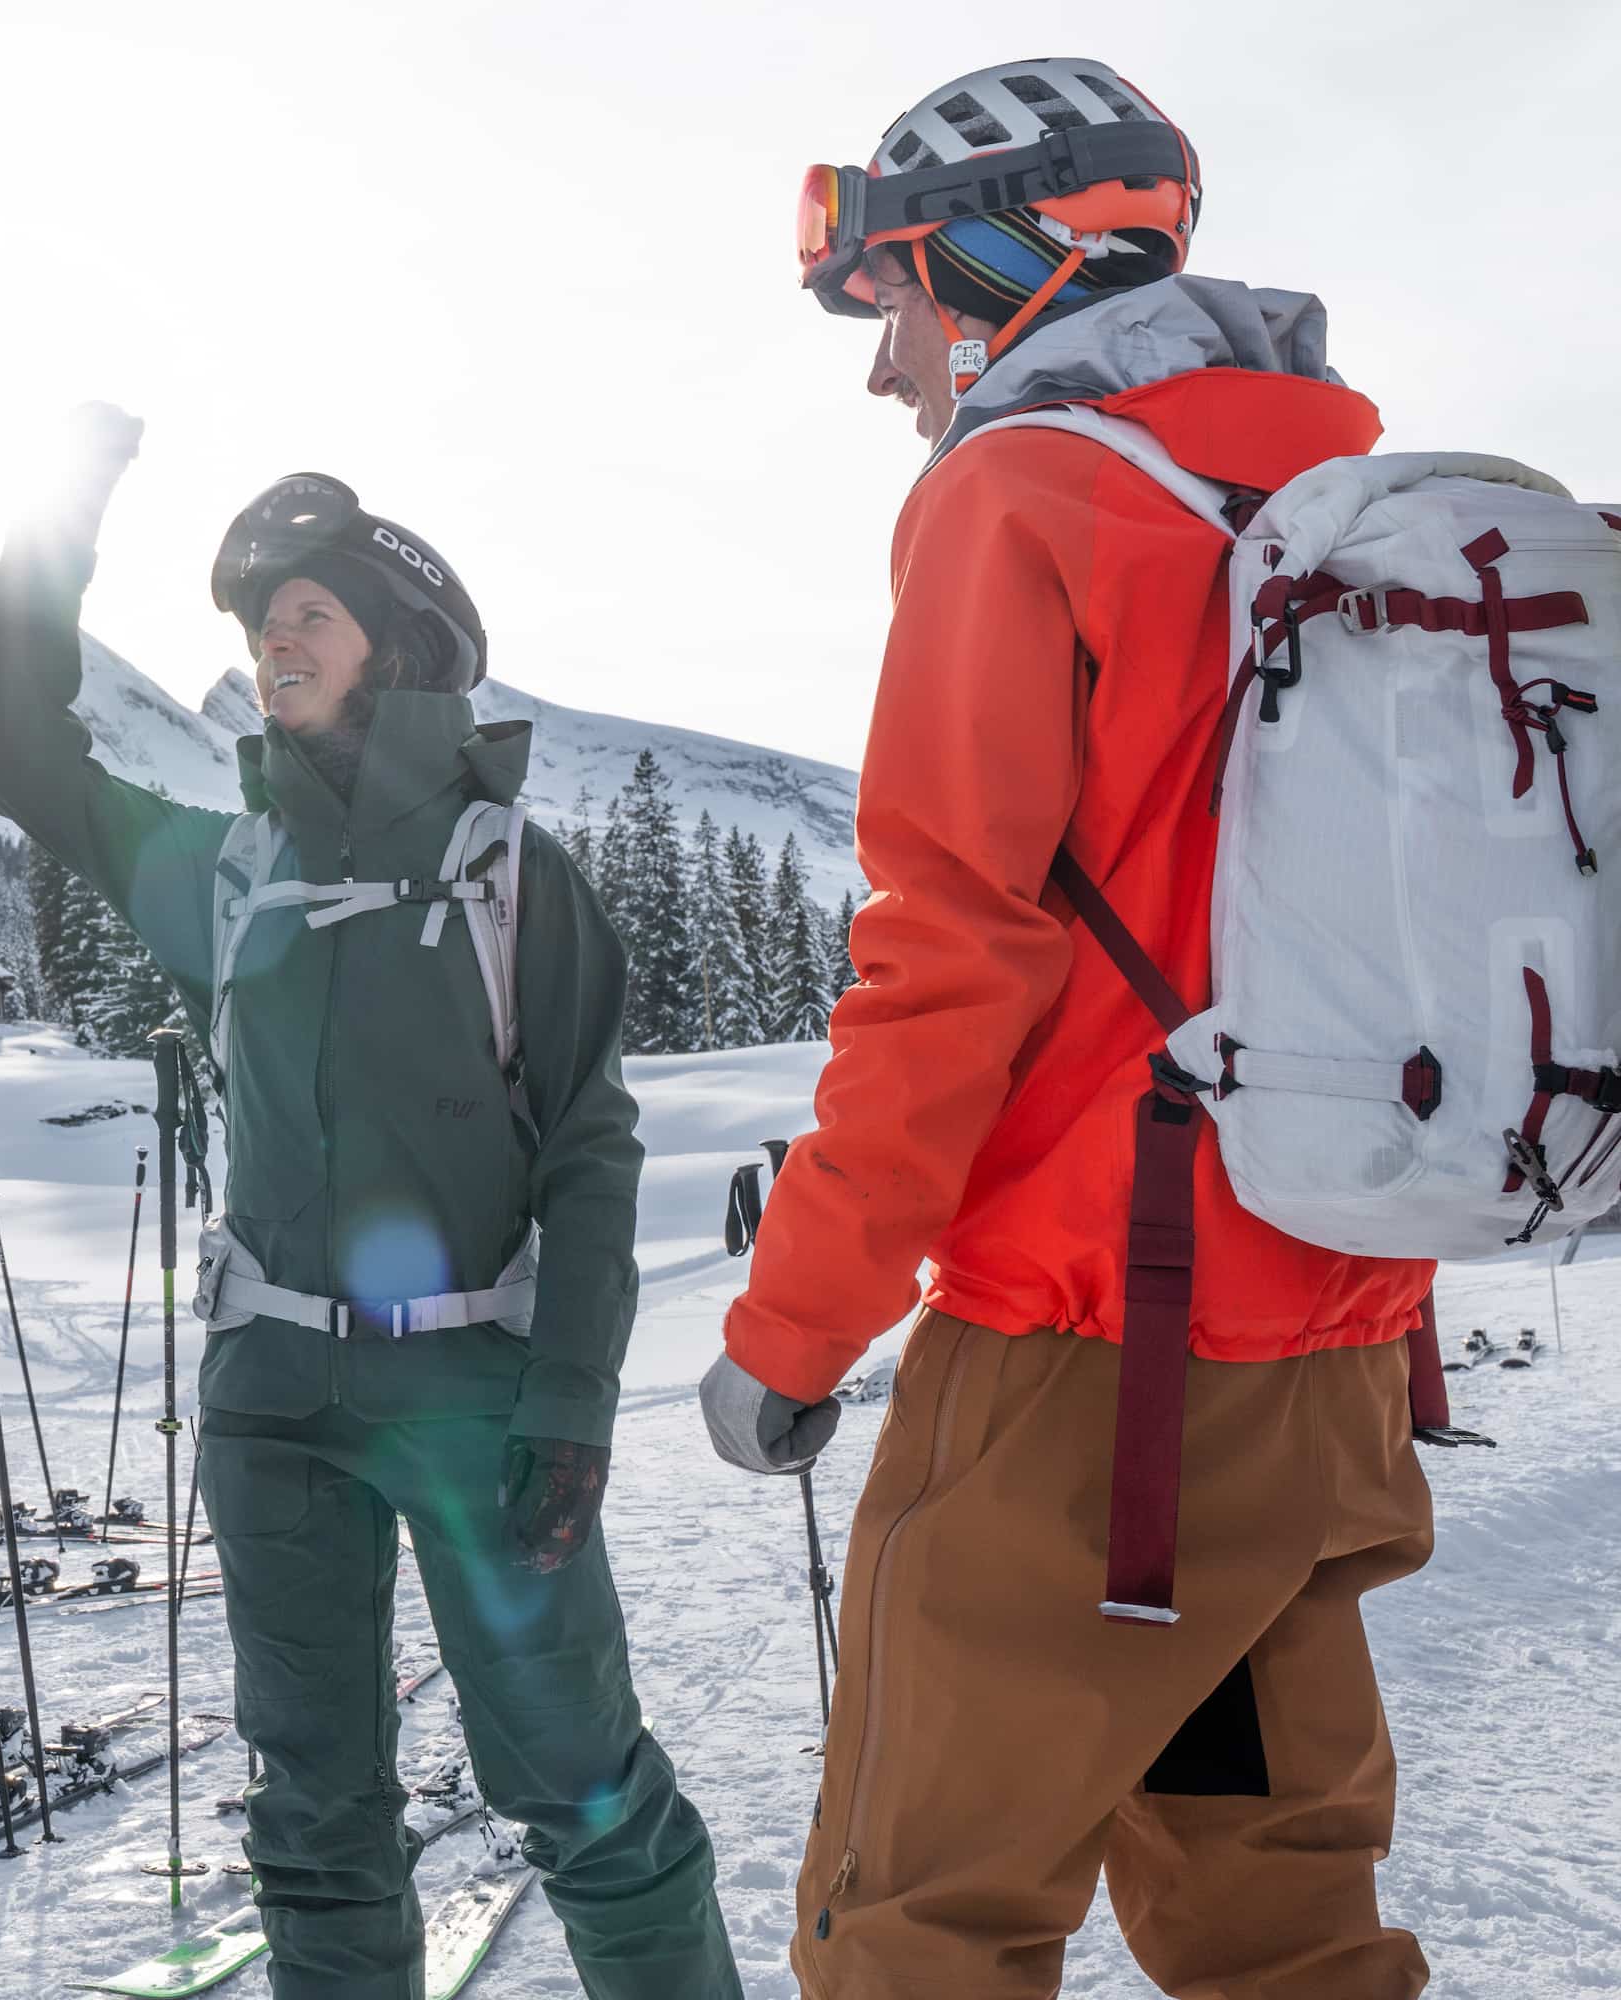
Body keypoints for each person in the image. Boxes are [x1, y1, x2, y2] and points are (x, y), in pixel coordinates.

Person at [708, 59, 1436, 1996]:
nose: (890, 371)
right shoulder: (1346, 503)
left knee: (915, 1921)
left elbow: (947, 959)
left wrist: (796, 1324)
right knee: (1278, 1925)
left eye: (902, 307)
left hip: (1086, 1393)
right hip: (1334, 1360)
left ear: (1006, 267)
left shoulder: (1026, 494)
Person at [0, 416, 741, 1999]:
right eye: (266, 624)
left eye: (313, 613)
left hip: (478, 1395)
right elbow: (24, 758)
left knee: (576, 1786)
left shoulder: (511, 875)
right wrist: (58, 512)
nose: (276, 643)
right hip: (271, 1403)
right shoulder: (227, 869)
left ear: (395, 650)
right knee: (314, 1814)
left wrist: (574, 1406)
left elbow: (592, 1154)